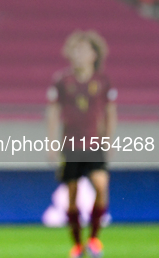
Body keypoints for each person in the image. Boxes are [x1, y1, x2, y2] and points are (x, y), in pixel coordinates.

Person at [47, 30, 118, 258]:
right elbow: (53, 112)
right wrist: (51, 143)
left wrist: (109, 139)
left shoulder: (103, 81)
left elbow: (110, 112)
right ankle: (77, 245)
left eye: (84, 50)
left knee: (101, 186)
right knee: (72, 196)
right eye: (76, 50)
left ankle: (94, 239)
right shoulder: (62, 81)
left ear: (94, 55)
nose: (79, 54)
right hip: (70, 146)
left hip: (94, 145)